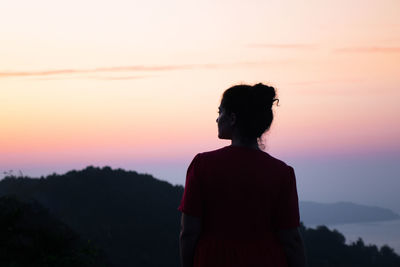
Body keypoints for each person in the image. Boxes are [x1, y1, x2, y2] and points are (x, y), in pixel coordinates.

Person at [178, 83, 306, 267]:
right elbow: (291, 239)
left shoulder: (203, 165)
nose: (216, 119)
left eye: (219, 112)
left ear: (232, 118)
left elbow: (188, 232)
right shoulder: (281, 172)